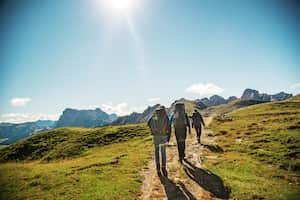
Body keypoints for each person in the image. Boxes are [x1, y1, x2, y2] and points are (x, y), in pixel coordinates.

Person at [148, 106, 171, 176]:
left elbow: (148, 123)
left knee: (156, 151)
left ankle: (158, 168)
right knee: (163, 152)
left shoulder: (154, 116)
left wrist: (153, 130)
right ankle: (163, 167)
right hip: (163, 136)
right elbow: (169, 126)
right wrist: (168, 137)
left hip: (156, 137)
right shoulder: (165, 116)